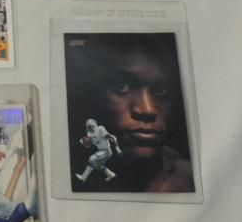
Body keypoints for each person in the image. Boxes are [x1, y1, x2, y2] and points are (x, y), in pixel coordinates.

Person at [66, 32, 194, 193]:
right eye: (121, 86)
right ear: (89, 94)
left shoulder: (187, 180)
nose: (148, 109)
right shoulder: (63, 172)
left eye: (160, 91)